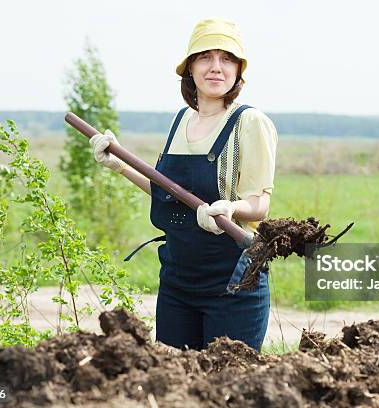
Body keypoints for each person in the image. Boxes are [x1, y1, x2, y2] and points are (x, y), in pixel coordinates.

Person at [89, 17, 278, 352]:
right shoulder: (181, 120)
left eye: (227, 58)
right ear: (189, 67)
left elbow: (259, 202)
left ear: (238, 70)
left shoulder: (249, 122)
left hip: (234, 284)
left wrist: (231, 208)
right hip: (177, 281)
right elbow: (168, 194)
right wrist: (119, 166)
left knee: (227, 389)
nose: (216, 67)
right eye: (205, 57)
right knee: (174, 385)